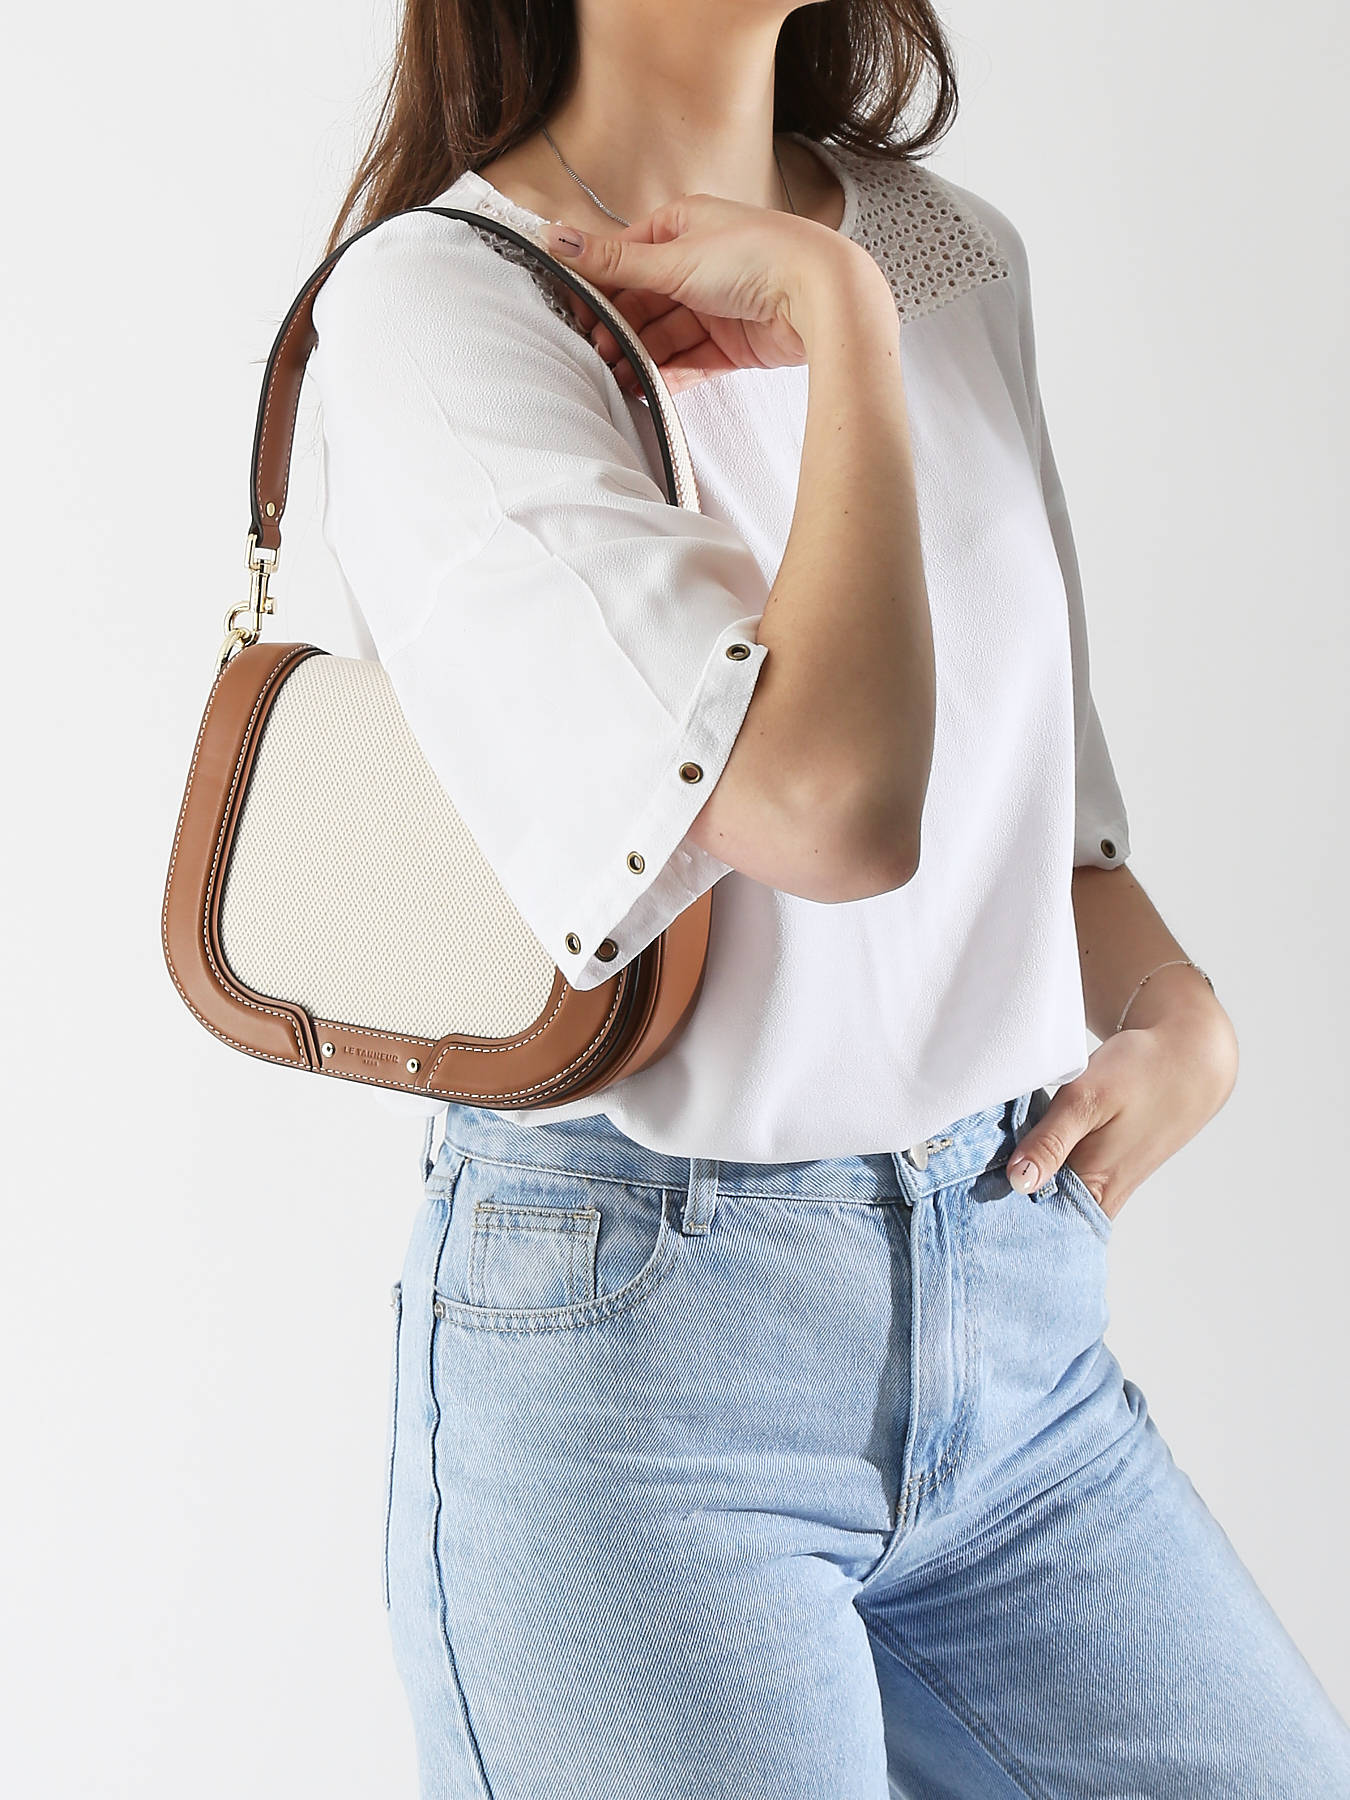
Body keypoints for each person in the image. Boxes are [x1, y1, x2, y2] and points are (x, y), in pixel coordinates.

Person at [308, 2, 1350, 1794]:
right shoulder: (441, 307)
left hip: (1017, 1329)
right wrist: (837, 329)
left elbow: (1045, 802)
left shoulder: (947, 252)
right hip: (640, 1372)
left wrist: (1178, 1008)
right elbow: (826, 806)